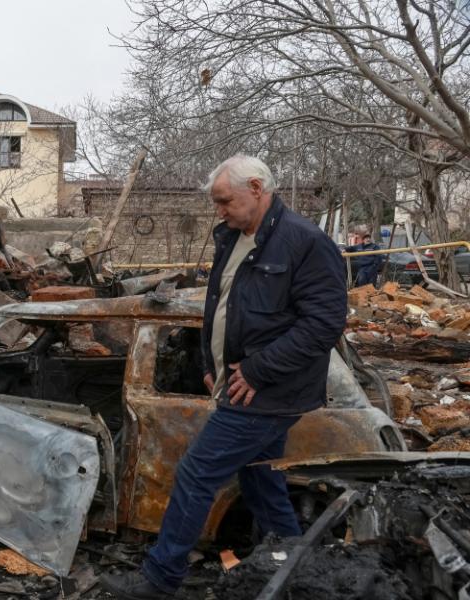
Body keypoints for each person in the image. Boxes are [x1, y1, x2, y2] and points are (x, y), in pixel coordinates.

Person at [100, 155, 347, 599]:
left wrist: (256, 369)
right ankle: (292, 565)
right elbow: (223, 306)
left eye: (224, 201)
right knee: (259, 474)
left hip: (268, 391)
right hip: (239, 382)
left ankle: (160, 580)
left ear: (257, 187)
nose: (219, 211)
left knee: (196, 473)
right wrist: (211, 366)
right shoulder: (234, 237)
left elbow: (324, 324)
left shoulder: (304, 242)